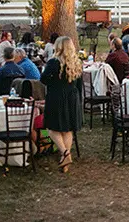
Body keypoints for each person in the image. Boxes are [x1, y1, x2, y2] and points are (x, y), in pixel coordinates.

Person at [41, 36, 83, 173]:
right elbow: (79, 83)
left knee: (52, 127)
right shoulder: (76, 62)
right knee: (67, 128)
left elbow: (44, 79)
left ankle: (65, 153)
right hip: (72, 97)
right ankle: (65, 160)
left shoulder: (53, 62)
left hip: (57, 96)